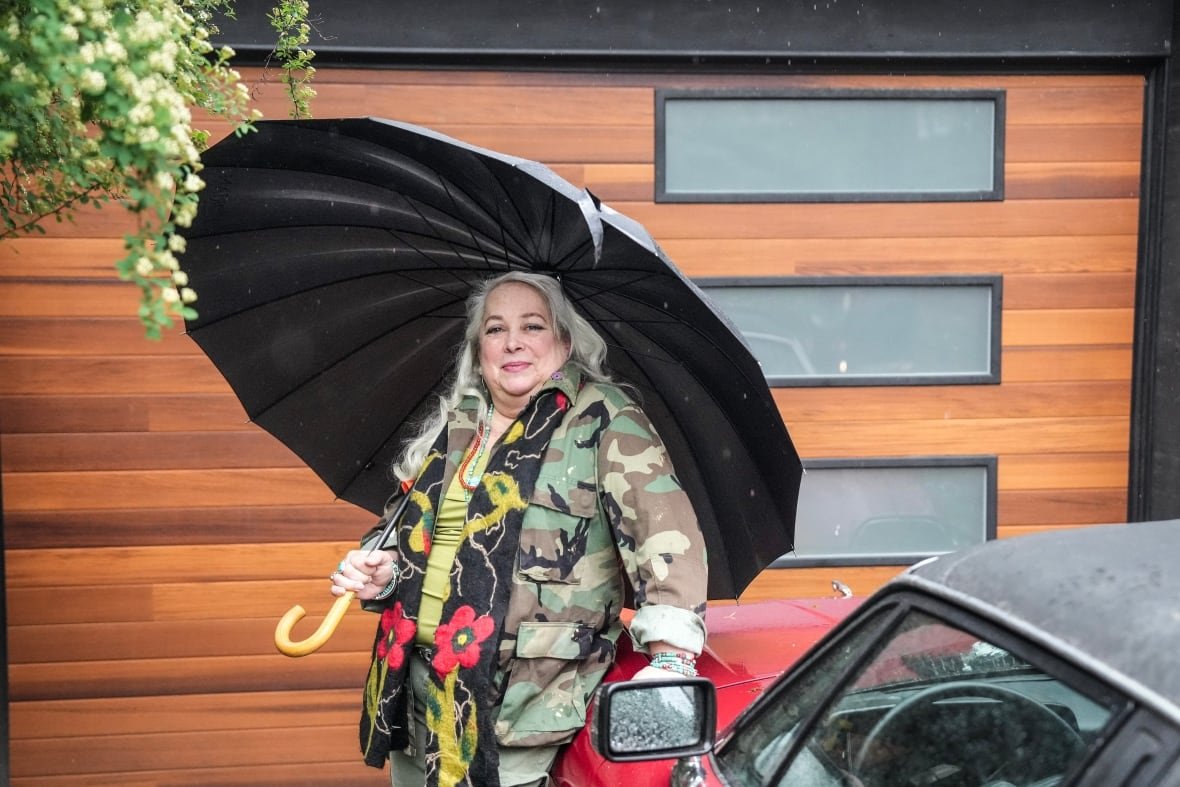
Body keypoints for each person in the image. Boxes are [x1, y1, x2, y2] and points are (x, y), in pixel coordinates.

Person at [330, 271, 708, 787]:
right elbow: (409, 538)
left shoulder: (604, 420)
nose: (512, 342)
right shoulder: (457, 422)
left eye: (532, 326)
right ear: (477, 348)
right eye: (495, 328)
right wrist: (384, 572)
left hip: (519, 707)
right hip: (418, 699)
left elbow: (667, 542)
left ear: (564, 342)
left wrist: (671, 663)